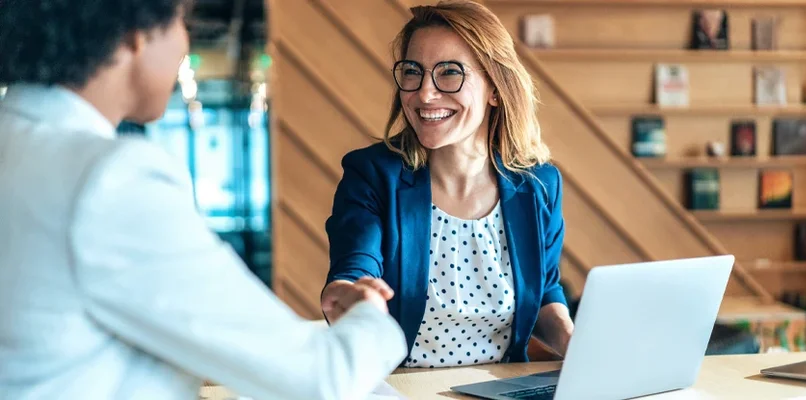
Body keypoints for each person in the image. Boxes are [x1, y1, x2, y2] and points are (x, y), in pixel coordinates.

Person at [0, 1, 406, 399]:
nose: (185, 43)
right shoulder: (109, 180)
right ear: (135, 36)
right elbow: (321, 378)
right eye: (181, 21)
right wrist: (370, 313)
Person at [320, 0, 575, 368]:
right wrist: (349, 297)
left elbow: (546, 289)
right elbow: (353, 269)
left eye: (450, 73)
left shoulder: (539, 185)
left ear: (495, 88)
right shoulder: (372, 174)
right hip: (400, 389)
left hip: (501, 389)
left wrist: (573, 340)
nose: (425, 94)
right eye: (413, 72)